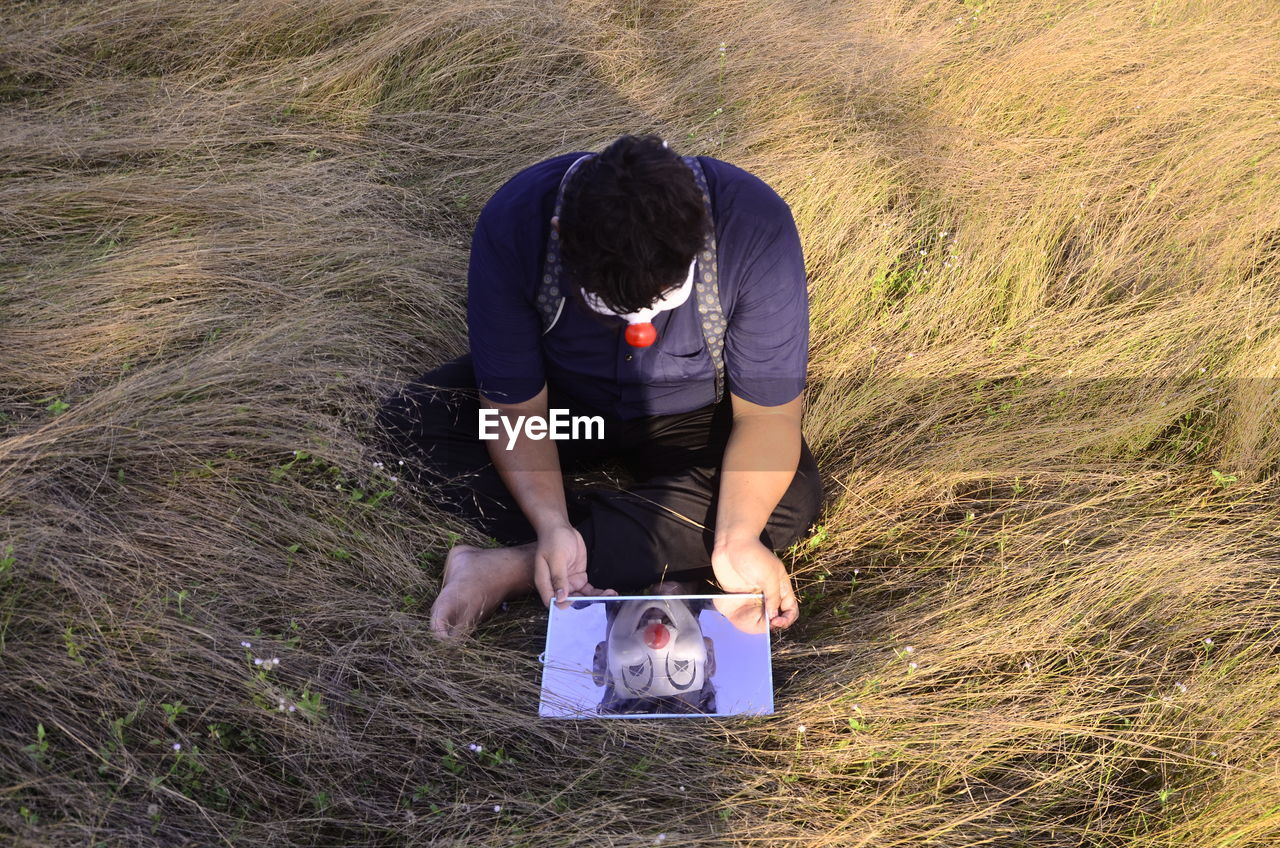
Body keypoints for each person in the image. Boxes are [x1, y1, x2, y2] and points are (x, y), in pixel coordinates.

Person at [375, 133, 822, 640]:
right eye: (607, 306)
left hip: (691, 419)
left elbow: (767, 417)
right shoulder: (514, 224)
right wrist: (550, 521)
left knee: (790, 496)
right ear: (561, 235)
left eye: (662, 301)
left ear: (700, 236)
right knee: (414, 423)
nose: (641, 327)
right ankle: (645, 545)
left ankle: (515, 566)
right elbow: (516, 412)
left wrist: (738, 536)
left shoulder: (755, 226)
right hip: (565, 412)